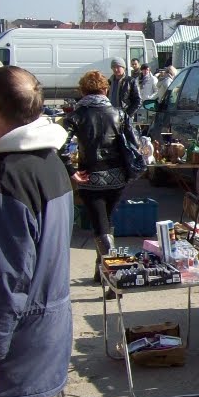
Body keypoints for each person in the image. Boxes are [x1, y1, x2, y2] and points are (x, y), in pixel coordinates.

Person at [0, 66, 73, 397]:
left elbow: (4, 283)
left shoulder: (7, 176)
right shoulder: (49, 159)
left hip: (16, 349)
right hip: (49, 337)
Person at [61, 70, 131, 280]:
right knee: (105, 222)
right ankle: (101, 271)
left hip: (89, 176)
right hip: (117, 175)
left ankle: (111, 274)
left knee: (100, 225)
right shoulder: (119, 113)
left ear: (83, 91)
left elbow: (61, 147)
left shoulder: (75, 116)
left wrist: (71, 172)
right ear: (105, 89)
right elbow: (132, 146)